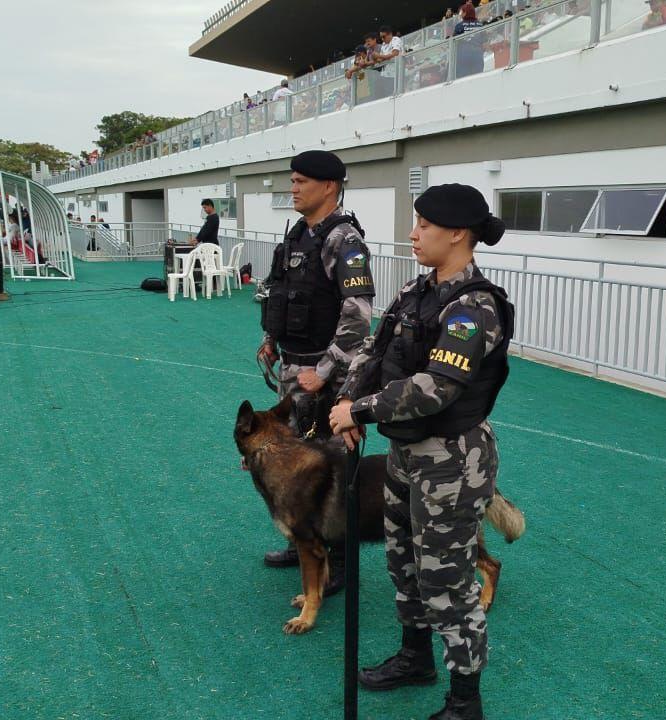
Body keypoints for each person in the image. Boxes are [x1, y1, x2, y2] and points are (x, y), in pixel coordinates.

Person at [328, 183, 514, 720]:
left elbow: (436, 388)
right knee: (403, 563)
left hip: (453, 460)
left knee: (448, 583)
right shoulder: (417, 289)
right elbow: (375, 348)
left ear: (458, 234)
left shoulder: (474, 307)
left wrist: (361, 412)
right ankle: (416, 658)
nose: (413, 234)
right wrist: (347, 398)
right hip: (406, 452)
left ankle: (464, 702)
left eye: (425, 226)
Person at [256, 150, 376, 587]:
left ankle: (341, 566)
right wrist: (271, 340)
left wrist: (325, 371)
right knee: (296, 460)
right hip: (293, 369)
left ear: (329, 186)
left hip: (327, 379)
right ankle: (302, 542)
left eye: (301, 181)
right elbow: (281, 295)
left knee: (335, 467)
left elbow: (360, 315)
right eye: (293, 180)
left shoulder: (344, 241)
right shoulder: (297, 238)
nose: (293, 188)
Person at [454, 2, 486, 77]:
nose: (460, 14)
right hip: (478, 55)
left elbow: (454, 42)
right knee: (477, 78)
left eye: (462, 11)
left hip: (463, 56)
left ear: (465, 12)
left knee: (462, 80)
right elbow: (485, 43)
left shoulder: (459, 26)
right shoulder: (480, 25)